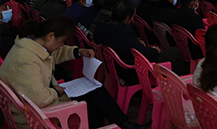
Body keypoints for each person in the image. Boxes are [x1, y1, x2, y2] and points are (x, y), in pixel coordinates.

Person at [0, 15, 144, 129]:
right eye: (62, 41)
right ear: (50, 36)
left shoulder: (32, 46)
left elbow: (52, 54)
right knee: (92, 102)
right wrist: (56, 92)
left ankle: (123, 123)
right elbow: (39, 99)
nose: (62, 45)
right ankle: (121, 124)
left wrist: (78, 51)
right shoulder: (25, 60)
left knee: (96, 90)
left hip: (37, 103)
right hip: (37, 116)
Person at [94, 0, 187, 82]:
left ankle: (177, 81)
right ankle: (180, 81)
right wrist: (154, 50)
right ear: (127, 18)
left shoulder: (104, 27)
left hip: (116, 66)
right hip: (132, 70)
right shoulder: (123, 32)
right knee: (174, 52)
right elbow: (140, 52)